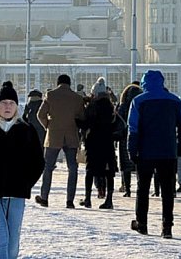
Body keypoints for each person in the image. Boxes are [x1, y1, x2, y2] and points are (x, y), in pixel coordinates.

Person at [0, 82, 44, 259]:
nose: (7, 107)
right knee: (1, 238)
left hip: (17, 193)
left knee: (13, 240)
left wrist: (25, 183)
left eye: (11, 103)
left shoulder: (26, 129)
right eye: (3, 102)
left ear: (17, 106)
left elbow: (38, 161)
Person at [128, 70, 181, 239]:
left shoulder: (138, 101)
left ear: (144, 83)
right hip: (168, 152)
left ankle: (142, 223)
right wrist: (180, 146)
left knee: (143, 188)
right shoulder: (174, 100)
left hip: (145, 152)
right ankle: (167, 226)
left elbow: (133, 129)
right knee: (168, 190)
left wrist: (132, 151)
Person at [34, 74, 84, 209]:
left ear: (58, 83)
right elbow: (82, 117)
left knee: (48, 167)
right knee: (72, 168)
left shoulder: (50, 95)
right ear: (69, 83)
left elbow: (40, 115)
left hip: (53, 135)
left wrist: (48, 126)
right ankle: (69, 200)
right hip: (71, 135)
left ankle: (44, 197)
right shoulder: (77, 98)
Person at [77, 77, 117, 209]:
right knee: (108, 172)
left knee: (90, 170)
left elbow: (87, 123)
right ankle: (109, 199)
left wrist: (77, 121)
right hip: (108, 142)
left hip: (93, 142)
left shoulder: (93, 107)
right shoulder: (111, 107)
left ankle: (88, 198)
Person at [116, 83, 143, 197]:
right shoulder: (142, 105)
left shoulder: (122, 107)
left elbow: (117, 122)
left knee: (125, 165)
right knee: (140, 165)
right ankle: (140, 187)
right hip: (140, 137)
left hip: (124, 138)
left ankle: (127, 188)